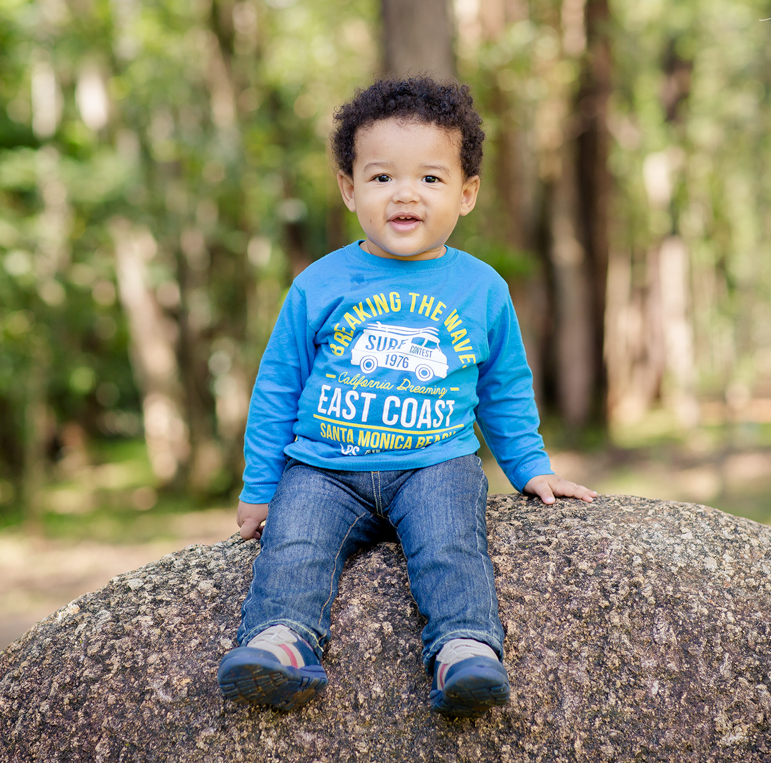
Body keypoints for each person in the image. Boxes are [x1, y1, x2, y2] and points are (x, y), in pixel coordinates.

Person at [217, 77, 596, 718]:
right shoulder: (320, 283)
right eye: (383, 177)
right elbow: (278, 387)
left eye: (430, 178)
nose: (405, 194)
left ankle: (464, 651)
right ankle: (280, 643)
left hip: (435, 464)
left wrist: (531, 468)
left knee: (451, 543)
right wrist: (261, 487)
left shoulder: (481, 288)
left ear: (466, 194)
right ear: (349, 188)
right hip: (324, 469)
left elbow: (503, 388)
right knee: (295, 544)